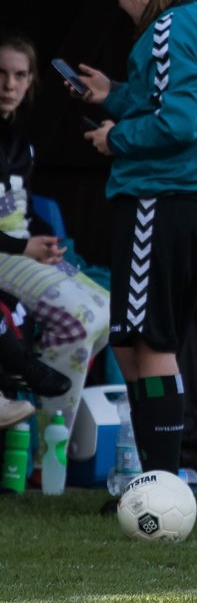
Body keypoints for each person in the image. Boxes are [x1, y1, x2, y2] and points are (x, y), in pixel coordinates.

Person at [71, 0, 197, 479]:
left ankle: (161, 481)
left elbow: (177, 122)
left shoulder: (166, 28)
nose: (118, 3)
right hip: (187, 202)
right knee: (132, 340)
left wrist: (114, 137)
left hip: (158, 200)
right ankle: (153, 474)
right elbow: (165, 99)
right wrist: (113, 95)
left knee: (149, 342)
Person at [0, 32, 109, 448]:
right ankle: (48, 446)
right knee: (77, 319)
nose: (9, 85)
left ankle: (48, 435)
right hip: (7, 254)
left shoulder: (21, 139)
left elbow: (16, 211)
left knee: (105, 311)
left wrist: (37, 241)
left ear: (30, 82)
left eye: (19, 75)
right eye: (2, 74)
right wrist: (22, 247)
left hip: (19, 248)